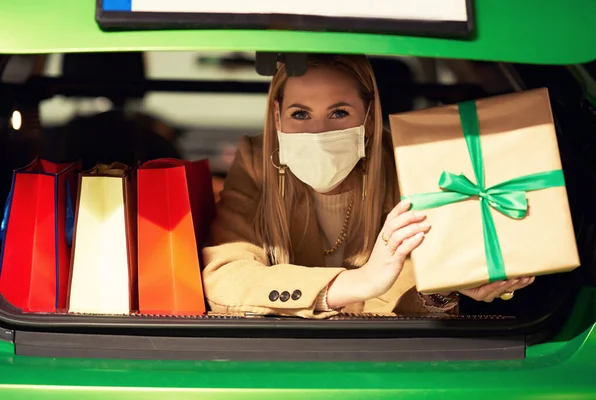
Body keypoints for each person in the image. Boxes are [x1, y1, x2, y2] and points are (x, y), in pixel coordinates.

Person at [201, 54, 534, 319]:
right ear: (277, 117)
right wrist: (358, 283)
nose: (318, 132)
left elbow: (428, 290)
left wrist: (457, 285)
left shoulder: (414, 161)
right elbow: (225, 280)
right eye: (300, 114)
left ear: (370, 118)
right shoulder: (257, 162)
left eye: (339, 113)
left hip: (394, 357)